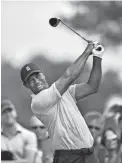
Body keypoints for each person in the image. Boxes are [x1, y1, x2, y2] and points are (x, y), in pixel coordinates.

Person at [20, 41, 104, 163]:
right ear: (26, 85)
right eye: (30, 80)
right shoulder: (38, 103)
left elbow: (92, 86)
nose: (36, 81)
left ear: (43, 75)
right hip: (68, 157)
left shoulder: (65, 92)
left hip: (90, 154)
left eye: (37, 76)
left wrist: (97, 57)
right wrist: (87, 51)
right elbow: (69, 76)